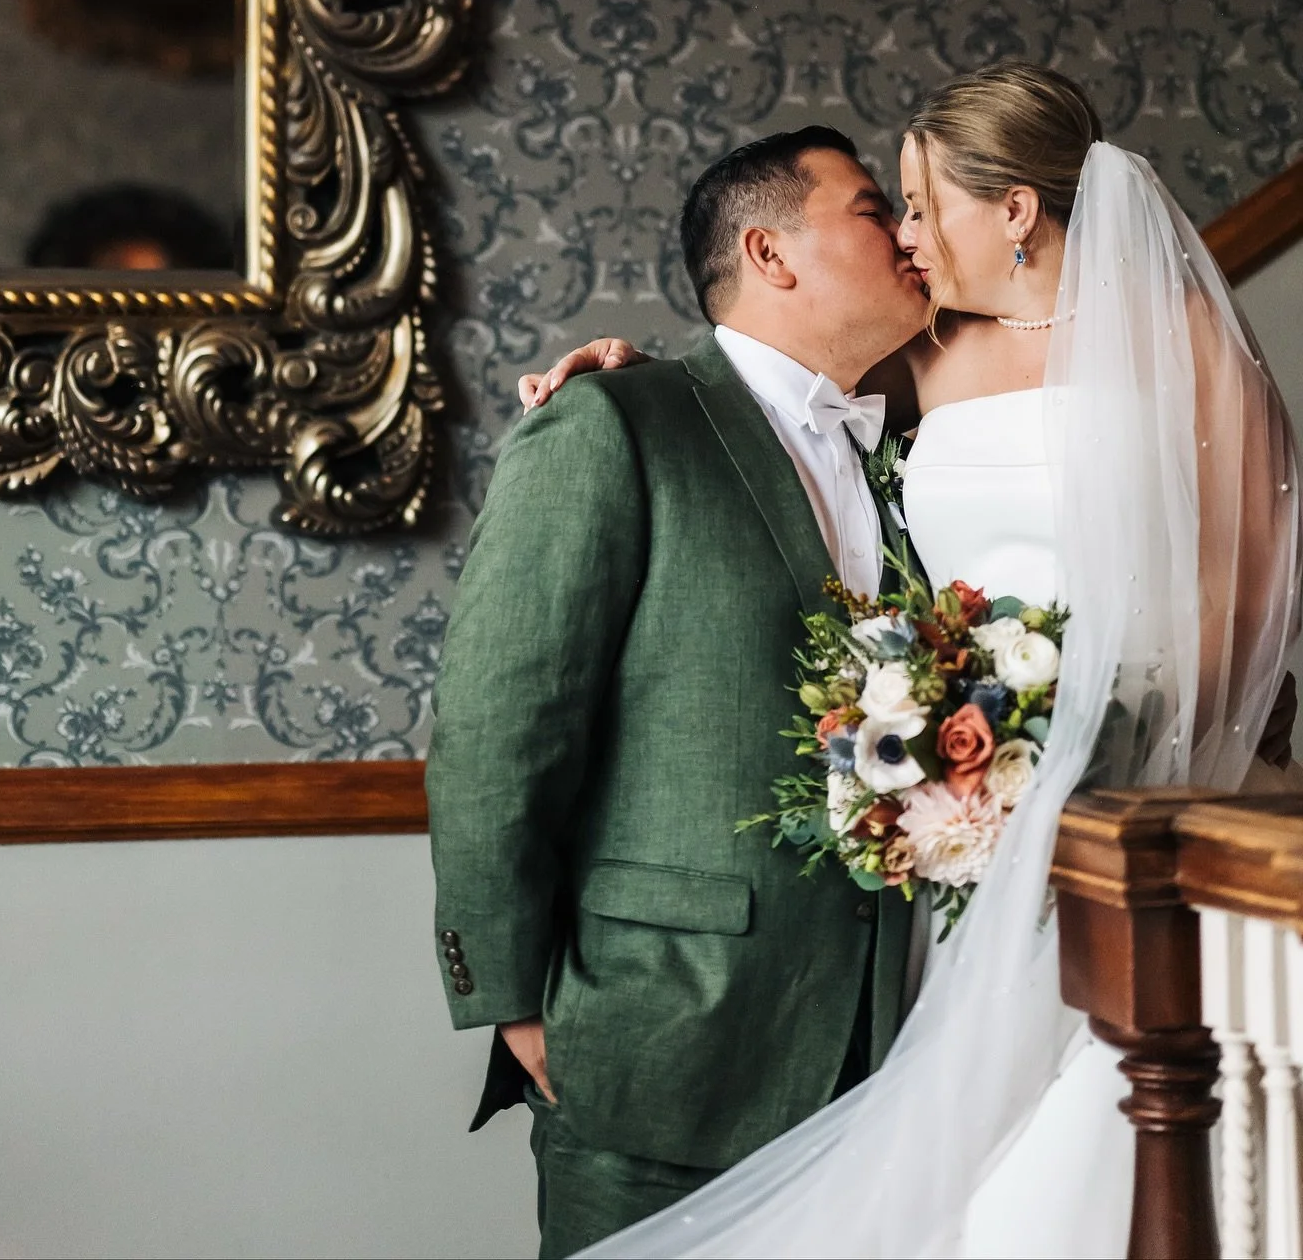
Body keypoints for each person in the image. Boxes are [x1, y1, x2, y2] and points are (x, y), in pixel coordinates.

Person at [522, 62, 1302, 1259]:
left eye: (924, 209)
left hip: (1123, 796)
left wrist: (1112, 763)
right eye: (889, 210)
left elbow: (1246, 589)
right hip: (955, 822)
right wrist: (631, 378)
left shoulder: (1184, 339)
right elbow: (771, 406)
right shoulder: (925, 357)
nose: (909, 239)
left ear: (1017, 212)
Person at [426, 127, 936, 1258]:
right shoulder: (611, 423)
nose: (907, 234)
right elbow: (500, 730)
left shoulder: (916, 454)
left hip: (887, 1037)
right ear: (770, 250)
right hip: (662, 1032)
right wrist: (509, 1000)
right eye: (870, 209)